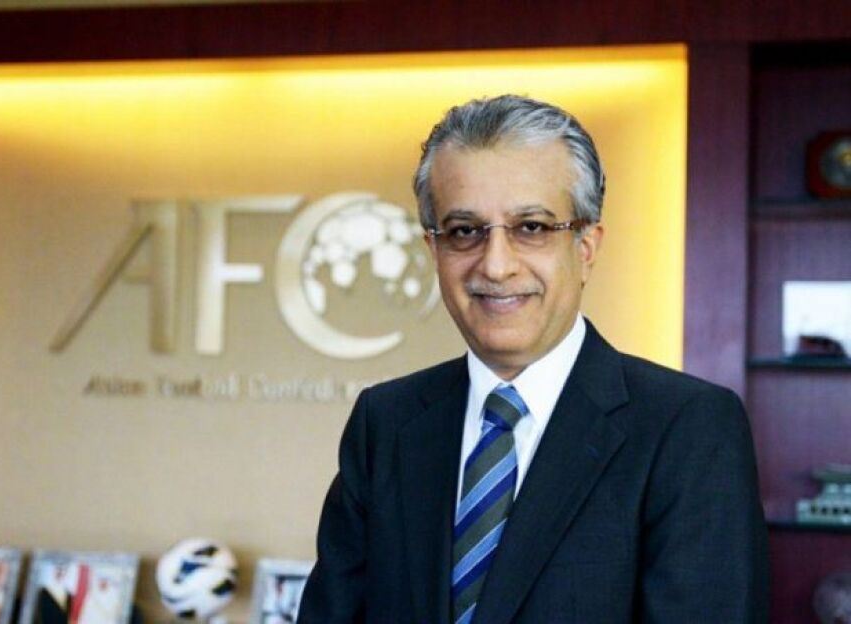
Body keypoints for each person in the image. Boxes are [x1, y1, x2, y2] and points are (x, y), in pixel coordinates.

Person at [296, 94, 769, 623]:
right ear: (434, 251)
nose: (496, 266)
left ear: (586, 247)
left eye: (532, 228)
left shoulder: (689, 428)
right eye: (464, 231)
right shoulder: (385, 422)